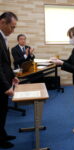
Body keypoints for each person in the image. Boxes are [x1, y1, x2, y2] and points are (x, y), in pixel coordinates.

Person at [0, 12, 19, 149]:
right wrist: (7, 86)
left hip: (5, 80)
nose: (13, 31)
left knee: (3, 110)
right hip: (0, 84)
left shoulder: (3, 37)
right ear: (2, 22)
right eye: (11, 27)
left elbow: (6, 63)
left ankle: (2, 134)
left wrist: (13, 76)